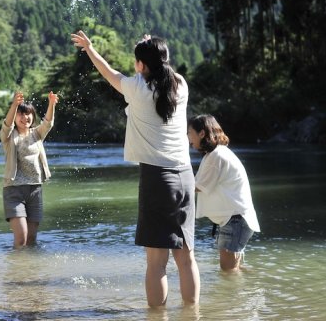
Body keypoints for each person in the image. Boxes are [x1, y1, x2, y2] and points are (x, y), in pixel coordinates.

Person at [71, 31, 200, 307]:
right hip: (186, 177)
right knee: (187, 258)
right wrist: (151, 49)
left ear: (141, 65)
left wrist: (90, 49)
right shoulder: (181, 85)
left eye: (137, 61)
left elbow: (109, 73)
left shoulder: (138, 90)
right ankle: (193, 315)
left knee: (156, 264)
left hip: (157, 178)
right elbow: (160, 67)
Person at [187, 114, 260, 272]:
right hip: (235, 220)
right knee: (233, 269)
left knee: (228, 271)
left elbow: (197, 186)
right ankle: (251, 291)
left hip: (235, 220)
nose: (188, 138)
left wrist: (170, 181)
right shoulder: (215, 154)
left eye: (189, 133)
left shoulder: (216, 156)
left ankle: (237, 297)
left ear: (201, 133)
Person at [0, 91, 58, 249]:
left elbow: (48, 123)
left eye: (28, 114)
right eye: (21, 114)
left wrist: (51, 103)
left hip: (35, 190)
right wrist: (14, 105)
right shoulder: (8, 136)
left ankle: (30, 271)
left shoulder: (37, 134)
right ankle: (18, 271)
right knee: (21, 239)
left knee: (31, 240)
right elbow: (7, 124)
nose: (25, 118)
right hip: (14, 191)